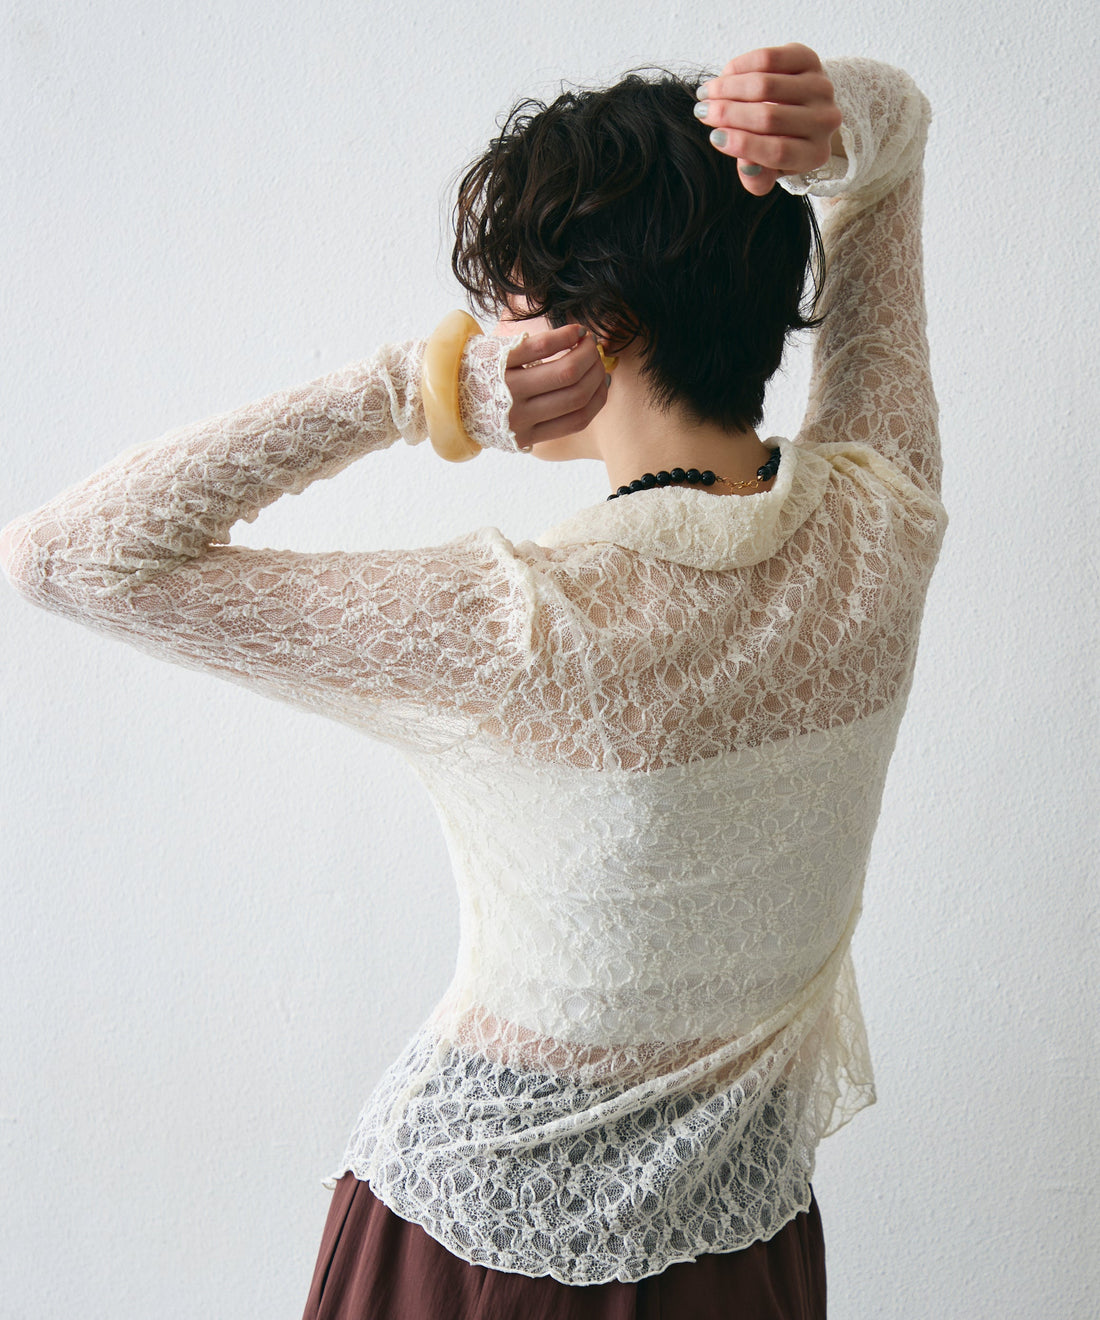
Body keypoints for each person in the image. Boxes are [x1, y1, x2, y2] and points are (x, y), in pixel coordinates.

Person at [0, 41, 945, 1320]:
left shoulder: (522, 625)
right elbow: (894, 150)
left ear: (590, 329)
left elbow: (62, 558)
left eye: (506, 300)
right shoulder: (878, 530)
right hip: (741, 1250)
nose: (492, 331)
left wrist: (414, 389)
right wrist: (835, 126)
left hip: (476, 1248)